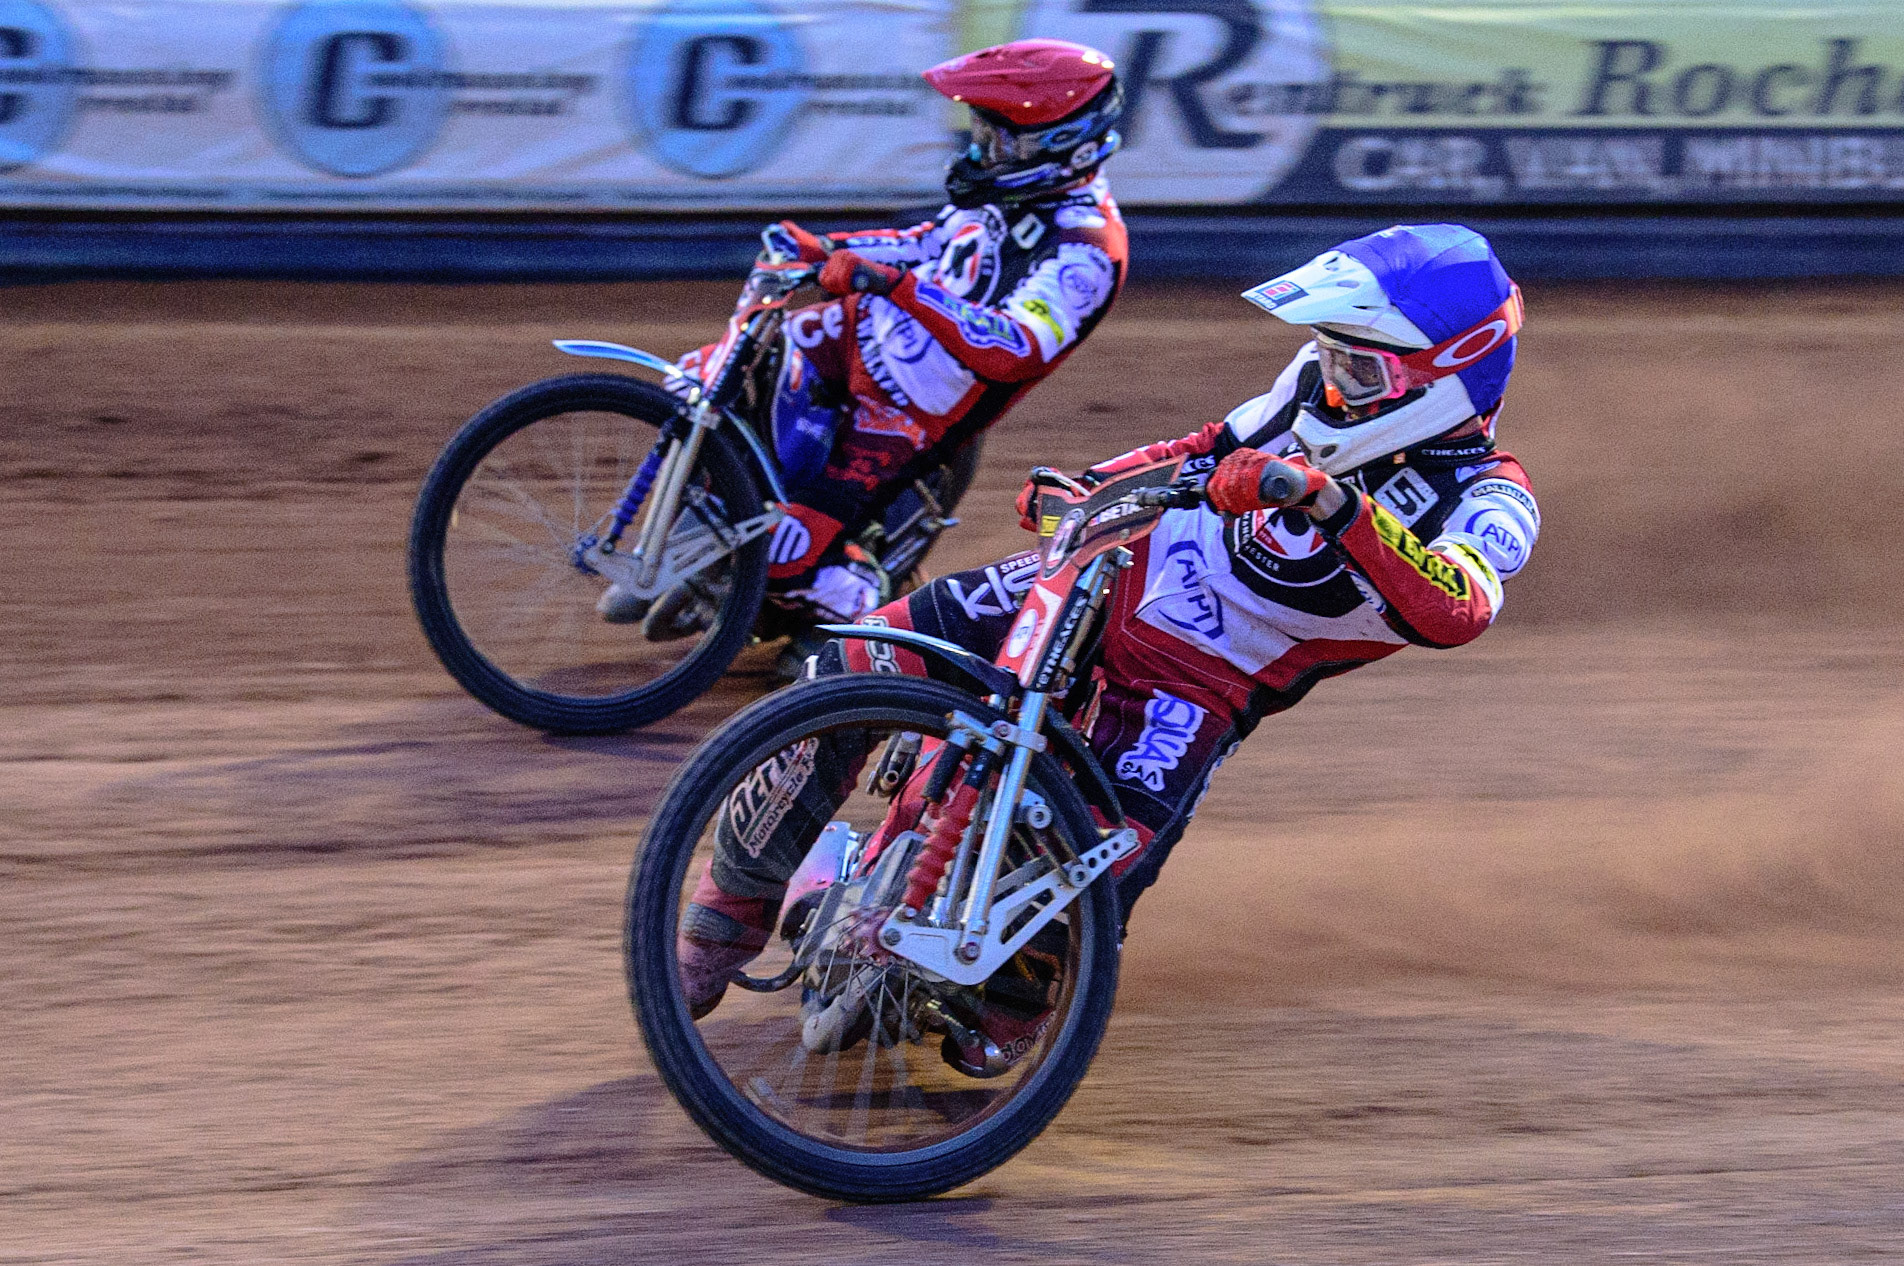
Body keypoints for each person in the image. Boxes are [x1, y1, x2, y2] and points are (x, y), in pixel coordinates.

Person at [678, 223, 1540, 1060]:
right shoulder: (1314, 387)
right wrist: (1096, 482)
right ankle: (725, 916)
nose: (1333, 375)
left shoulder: (1493, 499)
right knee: (850, 662)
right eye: (1329, 349)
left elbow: (1458, 606)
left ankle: (1009, 1003)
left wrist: (1334, 504)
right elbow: (1210, 445)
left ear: (1447, 377)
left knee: (1076, 904)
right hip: (1105, 570)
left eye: (1361, 362)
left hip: (1198, 686)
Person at [608, 38, 1129, 628]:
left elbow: (1014, 348)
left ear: (1062, 143)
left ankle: (860, 599)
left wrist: (894, 286)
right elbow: (925, 244)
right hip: (856, 335)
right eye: (981, 133)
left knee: (785, 555)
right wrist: (826, 249)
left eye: (1000, 138)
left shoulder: (1086, 251)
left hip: (910, 411)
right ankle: (682, 549)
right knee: (703, 379)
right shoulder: (1006, 193)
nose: (983, 151)